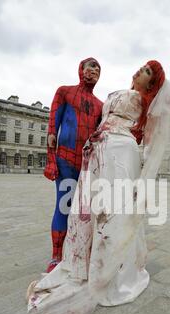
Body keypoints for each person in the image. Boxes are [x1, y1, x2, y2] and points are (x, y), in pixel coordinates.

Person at [11, 61, 170, 314]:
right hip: (98, 153)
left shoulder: (145, 104)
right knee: (83, 211)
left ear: (152, 83)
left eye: (145, 70)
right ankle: (79, 260)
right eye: (140, 67)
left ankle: (109, 270)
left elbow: (148, 135)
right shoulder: (96, 94)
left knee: (111, 213)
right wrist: (56, 156)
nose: (138, 70)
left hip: (119, 152)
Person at [44, 58, 103, 274]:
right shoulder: (64, 92)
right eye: (91, 66)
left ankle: (78, 251)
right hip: (66, 160)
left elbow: (102, 136)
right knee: (64, 205)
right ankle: (56, 256)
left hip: (87, 166)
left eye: (98, 67)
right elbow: (52, 130)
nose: (94, 69)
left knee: (85, 211)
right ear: (81, 70)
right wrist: (51, 160)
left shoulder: (100, 106)